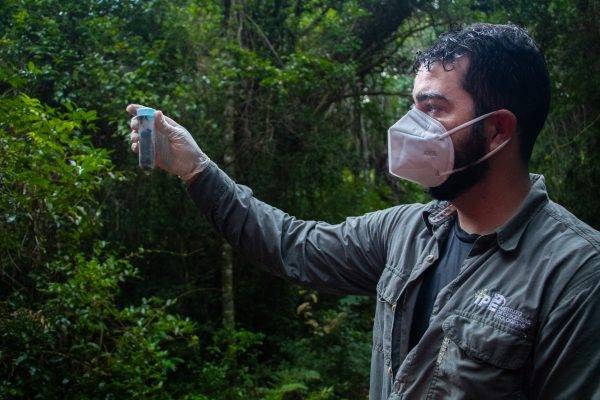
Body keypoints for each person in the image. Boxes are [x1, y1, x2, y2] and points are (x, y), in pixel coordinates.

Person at [127, 23, 600, 400]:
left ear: (497, 130)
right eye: (414, 107)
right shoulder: (407, 231)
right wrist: (196, 168)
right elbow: (290, 244)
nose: (413, 127)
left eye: (434, 109)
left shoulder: (576, 273)